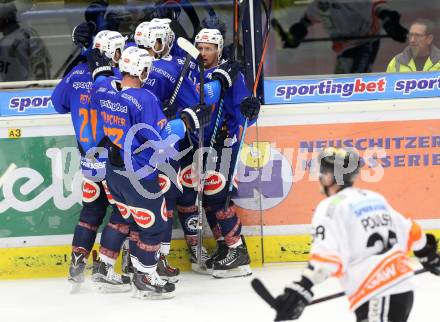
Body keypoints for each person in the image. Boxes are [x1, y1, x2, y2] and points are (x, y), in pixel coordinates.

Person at [89, 45, 211, 298]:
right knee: (154, 223)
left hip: (113, 168)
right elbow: (162, 140)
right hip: (138, 172)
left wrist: (100, 71)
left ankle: (104, 267)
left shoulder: (104, 89)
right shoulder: (146, 98)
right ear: (141, 69)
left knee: (121, 217)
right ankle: (145, 277)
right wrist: (188, 120)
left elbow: (102, 83)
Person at [271, 147, 440, 321]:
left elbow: (325, 259)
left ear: (330, 176)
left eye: (323, 171)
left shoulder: (330, 207)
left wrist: (303, 286)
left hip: (378, 292)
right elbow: (411, 231)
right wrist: (427, 254)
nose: (320, 177)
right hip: (403, 289)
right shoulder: (373, 197)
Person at [176, 28, 261, 278]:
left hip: (223, 143)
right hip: (196, 143)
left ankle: (237, 251)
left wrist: (249, 109)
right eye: (200, 48)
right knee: (201, 198)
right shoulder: (190, 71)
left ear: (219, 50)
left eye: (209, 49)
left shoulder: (232, 74)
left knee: (217, 198)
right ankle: (225, 246)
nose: (203, 53)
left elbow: (243, 111)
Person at [51, 29, 125, 291]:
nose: (123, 55)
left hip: (88, 160)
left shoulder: (76, 74)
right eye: (120, 50)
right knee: (123, 212)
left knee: (91, 211)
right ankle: (105, 267)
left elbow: (57, 104)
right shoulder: (117, 79)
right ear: (112, 52)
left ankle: (77, 266)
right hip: (114, 161)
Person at [277, 0, 408, 74]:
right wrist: (297, 33)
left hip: (364, 43)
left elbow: (377, 6)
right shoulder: (319, 5)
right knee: (343, 85)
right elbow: (307, 19)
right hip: (345, 47)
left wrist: (390, 22)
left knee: (350, 86)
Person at [0, 0, 51, 81]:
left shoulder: (26, 37)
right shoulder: (4, 41)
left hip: (24, 90)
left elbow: (40, 70)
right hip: (8, 90)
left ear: (3, 19)